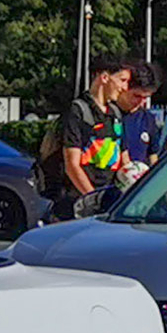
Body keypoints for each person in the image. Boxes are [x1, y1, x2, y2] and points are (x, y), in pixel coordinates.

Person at [40, 57, 131, 218]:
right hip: (77, 205)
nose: (125, 87)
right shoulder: (78, 111)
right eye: (122, 80)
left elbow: (124, 159)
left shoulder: (115, 114)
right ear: (104, 78)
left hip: (108, 203)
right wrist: (93, 201)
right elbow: (72, 165)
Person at [118, 59, 163, 179]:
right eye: (136, 95)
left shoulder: (148, 120)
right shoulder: (108, 114)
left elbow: (152, 156)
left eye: (146, 98)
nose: (141, 102)